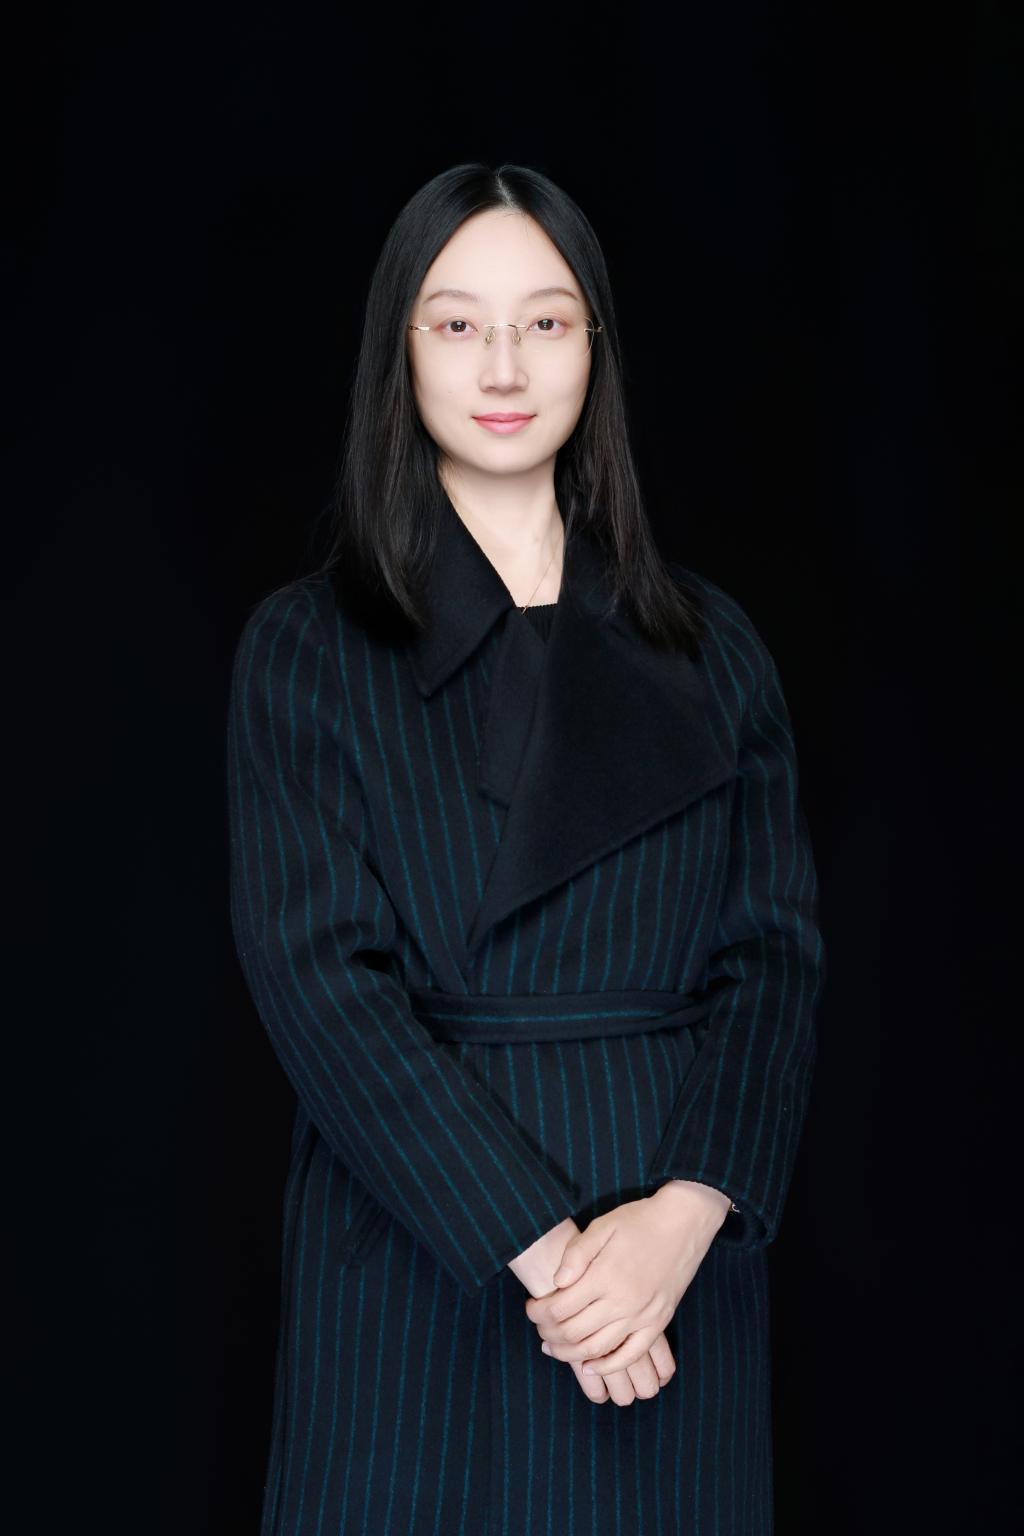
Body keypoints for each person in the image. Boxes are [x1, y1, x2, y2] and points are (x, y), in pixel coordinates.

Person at [226, 161, 827, 1536]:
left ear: (594, 348)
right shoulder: (309, 648)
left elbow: (776, 961)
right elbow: (321, 985)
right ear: (402, 350)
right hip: (423, 1255)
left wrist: (683, 1219)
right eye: (458, 323)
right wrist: (554, 1261)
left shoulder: (712, 646)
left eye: (545, 323)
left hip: (670, 1271)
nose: (504, 366)